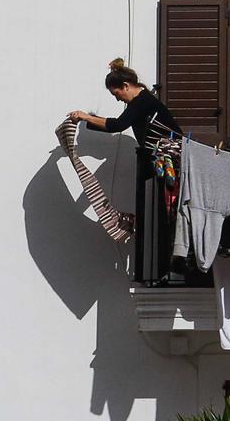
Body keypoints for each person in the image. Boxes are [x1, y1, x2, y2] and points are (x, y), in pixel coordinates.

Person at [69, 58, 184, 272]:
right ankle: (171, 254)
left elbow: (118, 125)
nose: (118, 100)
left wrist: (86, 117)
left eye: (117, 94)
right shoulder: (144, 101)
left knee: (170, 209)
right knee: (167, 209)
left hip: (171, 161)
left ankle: (175, 257)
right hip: (165, 162)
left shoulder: (141, 101)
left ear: (126, 86)